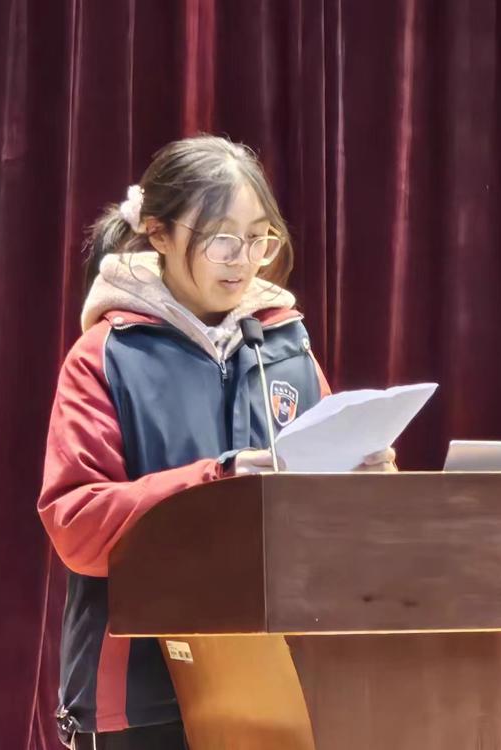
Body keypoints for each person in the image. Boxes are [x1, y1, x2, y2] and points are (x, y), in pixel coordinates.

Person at [38, 135, 396, 749]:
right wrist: (221, 479)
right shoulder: (105, 356)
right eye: (221, 239)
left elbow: (326, 529)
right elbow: (78, 526)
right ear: (158, 233)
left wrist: (364, 488)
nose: (244, 260)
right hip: (141, 698)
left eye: (259, 238)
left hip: (276, 689)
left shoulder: (288, 350)